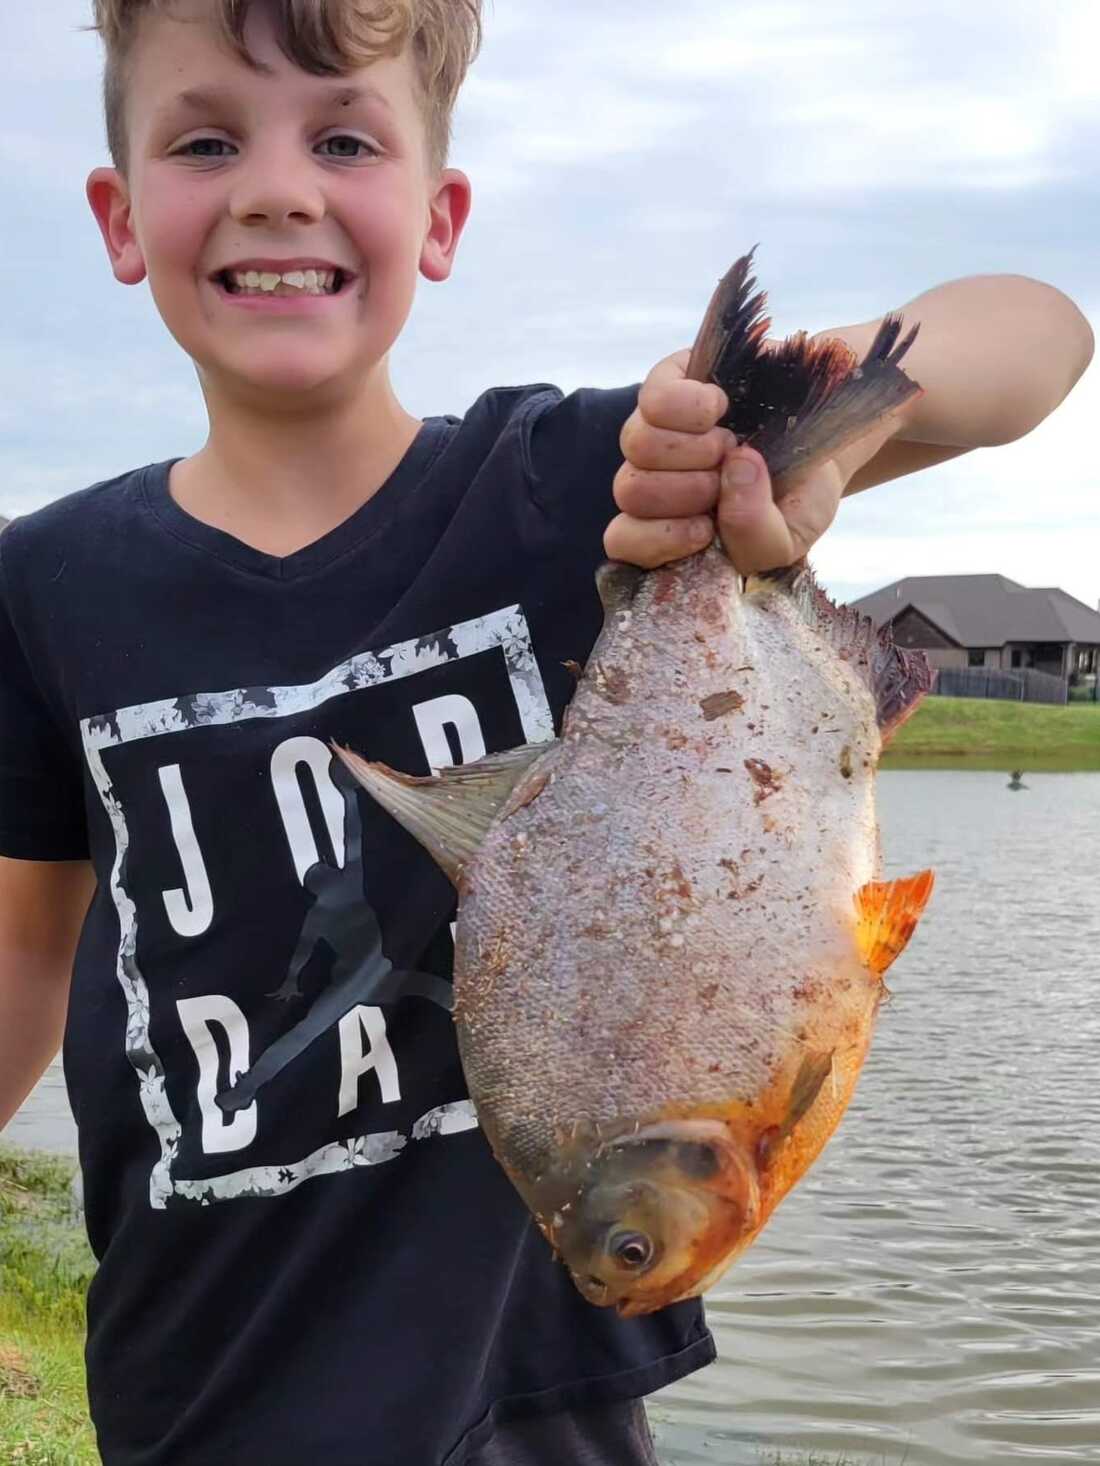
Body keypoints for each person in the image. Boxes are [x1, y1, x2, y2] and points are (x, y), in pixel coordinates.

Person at [0, 3, 1091, 1463]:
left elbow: (1042, 332)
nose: (275, 185)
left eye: (342, 137)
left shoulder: (577, 485)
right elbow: (27, 941)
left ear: (440, 215)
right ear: (120, 215)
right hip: (190, 1396)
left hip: (537, 1418)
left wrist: (787, 429)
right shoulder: (46, 584)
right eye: (205, 139)